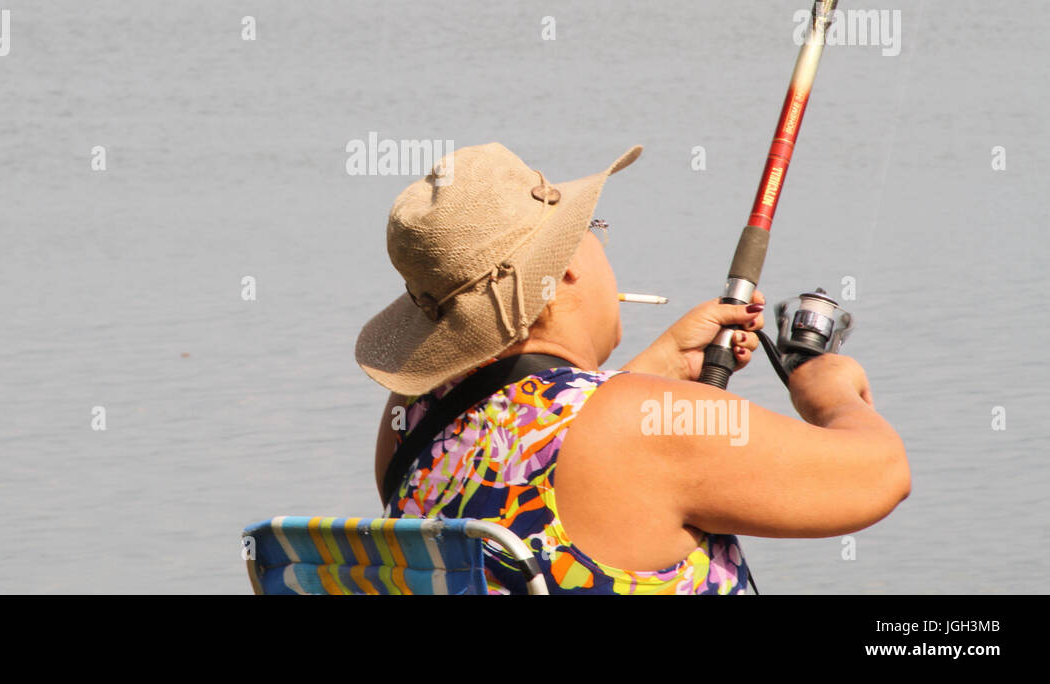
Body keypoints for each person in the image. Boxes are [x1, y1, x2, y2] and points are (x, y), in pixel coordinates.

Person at [356, 142, 910, 594]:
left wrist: (657, 369)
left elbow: (553, 451)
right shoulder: (644, 424)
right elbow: (879, 476)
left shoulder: (410, 417)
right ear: (566, 266)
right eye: (592, 227)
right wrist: (829, 391)